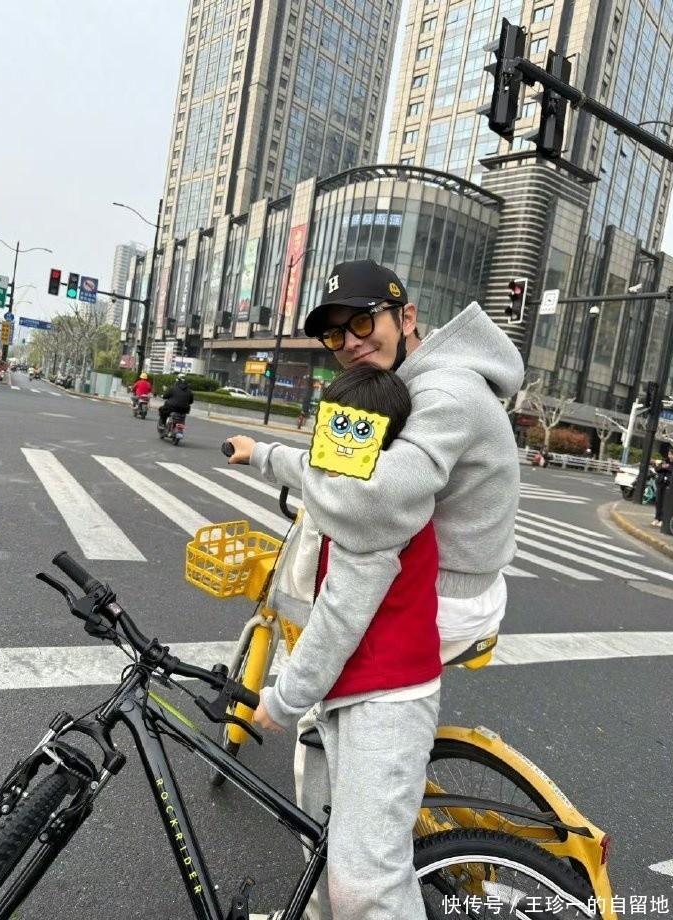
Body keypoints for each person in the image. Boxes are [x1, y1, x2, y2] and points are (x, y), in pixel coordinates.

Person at [225, 258, 524, 917]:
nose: (351, 342)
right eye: (336, 334)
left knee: (324, 656)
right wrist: (266, 456)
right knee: (323, 654)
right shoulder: (395, 387)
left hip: (448, 599)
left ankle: (350, 863)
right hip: (425, 572)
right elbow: (343, 464)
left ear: (406, 317)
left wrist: (292, 691)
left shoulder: (445, 393)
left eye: (362, 322)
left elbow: (366, 503)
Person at [233, 364, 441, 920]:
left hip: (386, 700)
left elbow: (337, 621)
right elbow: (311, 466)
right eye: (332, 427)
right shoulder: (354, 477)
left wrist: (283, 700)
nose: (333, 446)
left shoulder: (372, 510)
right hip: (358, 689)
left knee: (366, 884)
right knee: (332, 844)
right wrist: (257, 454)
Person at [653, 447, 673, 527]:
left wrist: (668, 467)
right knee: (658, 501)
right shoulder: (664, 461)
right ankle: (657, 518)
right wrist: (662, 466)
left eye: (672, 454)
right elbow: (656, 469)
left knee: (664, 502)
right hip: (660, 483)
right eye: (669, 454)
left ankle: (662, 519)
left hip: (668, 485)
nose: (670, 456)